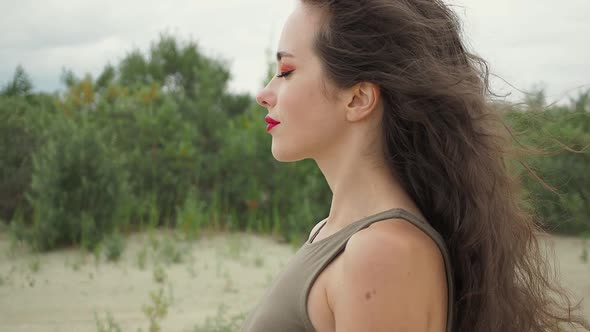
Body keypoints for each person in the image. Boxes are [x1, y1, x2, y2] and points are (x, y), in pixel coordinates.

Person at [242, 1, 590, 331]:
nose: (264, 93)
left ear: (358, 98)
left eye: (286, 71)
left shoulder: (384, 253)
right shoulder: (332, 232)